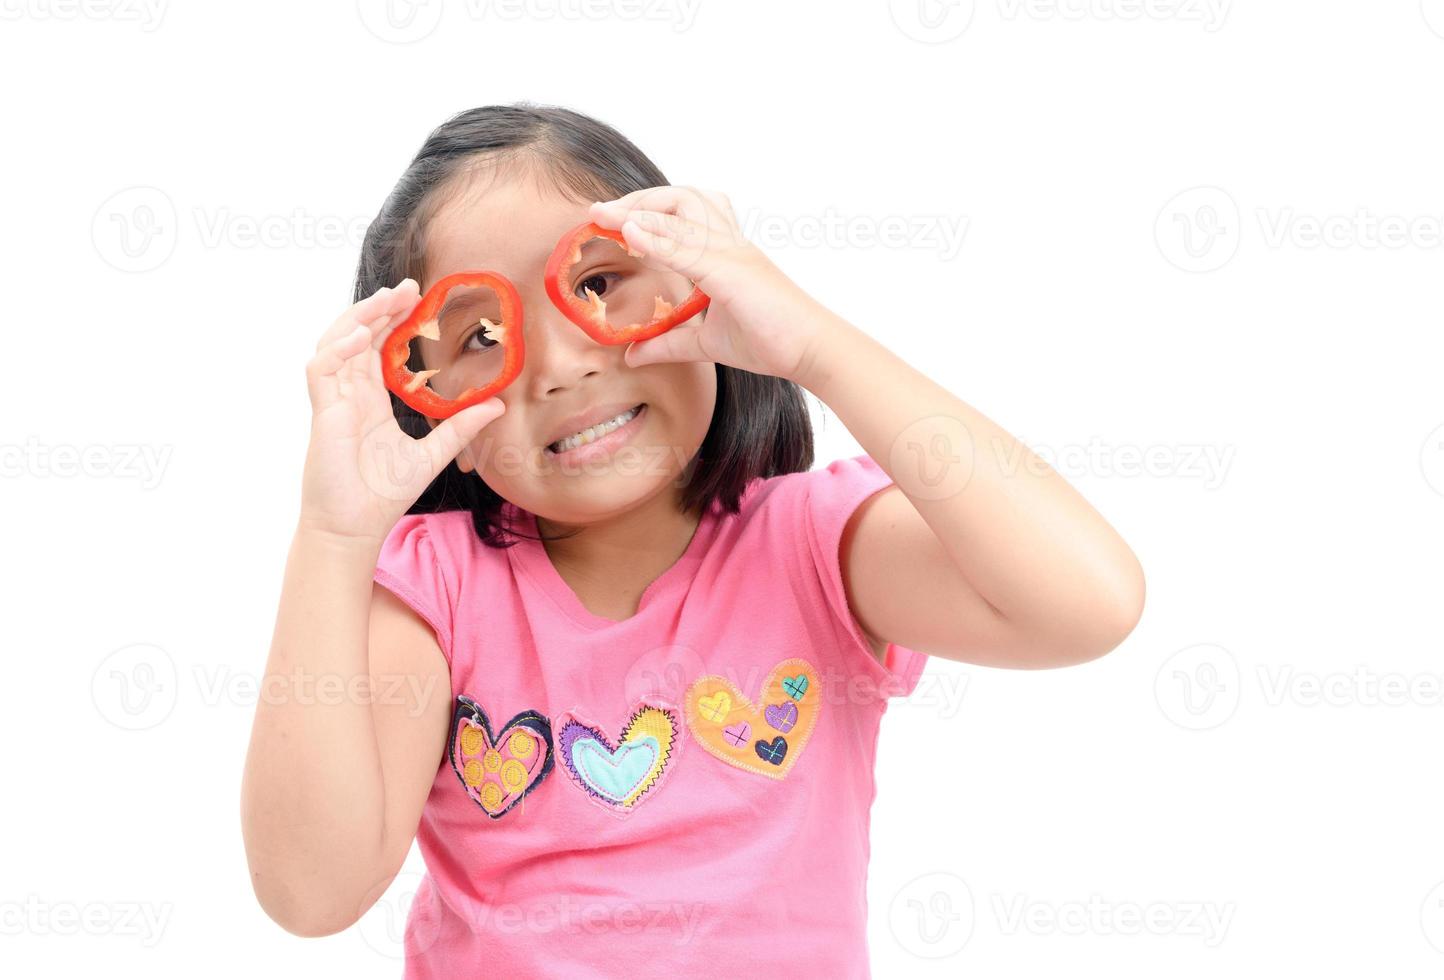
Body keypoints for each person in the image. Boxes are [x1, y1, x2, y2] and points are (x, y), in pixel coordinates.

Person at [241, 102, 1145, 978]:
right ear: (437, 414)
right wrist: (333, 534)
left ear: (696, 289)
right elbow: (311, 893)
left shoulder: (812, 548)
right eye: (480, 337)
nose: (563, 367)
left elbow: (1089, 605)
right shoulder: (436, 591)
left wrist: (814, 346)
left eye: (597, 284)